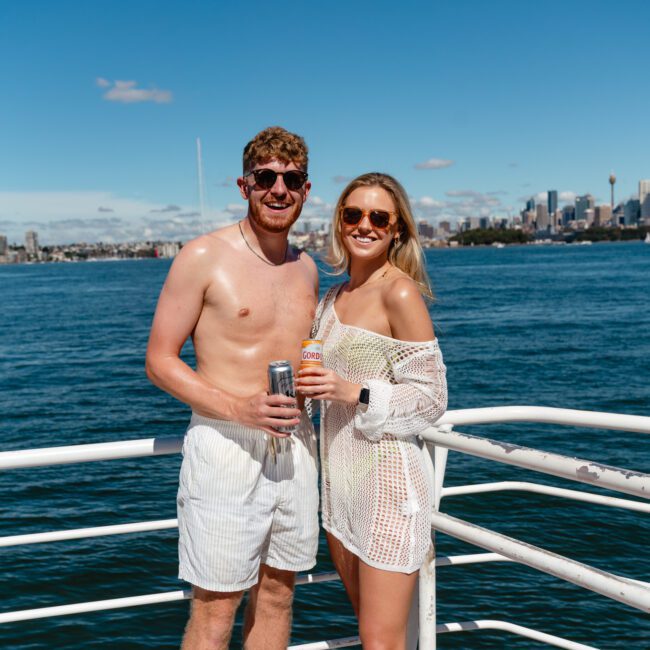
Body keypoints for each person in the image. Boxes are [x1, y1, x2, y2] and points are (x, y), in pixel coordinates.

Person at [145, 126, 320, 650]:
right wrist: (239, 408)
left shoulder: (307, 267)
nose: (279, 190)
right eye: (265, 177)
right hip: (225, 446)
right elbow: (158, 360)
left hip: (295, 445)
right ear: (244, 185)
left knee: (278, 595)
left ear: (306, 190)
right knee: (216, 609)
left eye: (292, 180)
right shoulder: (203, 256)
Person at [295, 172, 447, 649]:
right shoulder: (331, 298)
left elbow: (431, 397)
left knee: (381, 642)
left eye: (378, 217)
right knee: (370, 628)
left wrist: (354, 391)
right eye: (353, 214)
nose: (365, 225)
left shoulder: (397, 292)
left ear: (397, 227)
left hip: (389, 489)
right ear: (339, 222)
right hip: (341, 489)